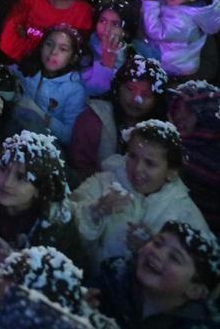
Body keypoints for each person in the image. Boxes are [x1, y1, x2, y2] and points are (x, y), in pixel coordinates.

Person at [0, 132, 81, 303]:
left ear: (40, 189)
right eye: (3, 168)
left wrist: (26, 270)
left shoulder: (57, 227)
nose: (6, 182)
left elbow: (67, 286)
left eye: (21, 177)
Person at [71, 120, 212, 277]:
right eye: (133, 156)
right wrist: (93, 213)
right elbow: (64, 226)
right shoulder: (103, 183)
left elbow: (204, 274)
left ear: (171, 172)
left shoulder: (185, 213)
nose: (137, 168)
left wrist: (152, 251)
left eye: (150, 164)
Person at [98, 221, 220, 329]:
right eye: (157, 243)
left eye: (174, 258)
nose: (158, 253)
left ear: (195, 290)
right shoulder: (112, 278)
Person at [68, 55, 169, 185]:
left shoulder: (161, 132)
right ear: (118, 87)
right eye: (130, 89)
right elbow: (78, 170)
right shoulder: (93, 120)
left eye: (146, 95)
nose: (136, 99)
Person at [8, 25, 88, 146]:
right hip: (14, 134)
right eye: (49, 44)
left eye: (63, 49)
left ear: (73, 57)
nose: (53, 52)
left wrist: (38, 113)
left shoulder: (75, 90)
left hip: (46, 146)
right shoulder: (29, 69)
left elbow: (69, 136)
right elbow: (8, 72)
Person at [138, 0, 220, 79]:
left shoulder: (184, 21)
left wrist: (150, 4)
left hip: (173, 66)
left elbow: (156, 31)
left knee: (136, 47)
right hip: (172, 58)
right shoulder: (178, 7)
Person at [168, 80, 220, 234]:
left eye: (190, 111)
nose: (179, 117)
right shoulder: (172, 141)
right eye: (176, 108)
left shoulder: (212, 152)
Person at [80, 0, 135, 96]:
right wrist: (106, 64)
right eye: (102, 21)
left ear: (125, 31)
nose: (107, 29)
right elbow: (87, 90)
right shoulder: (84, 49)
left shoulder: (133, 53)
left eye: (115, 24)